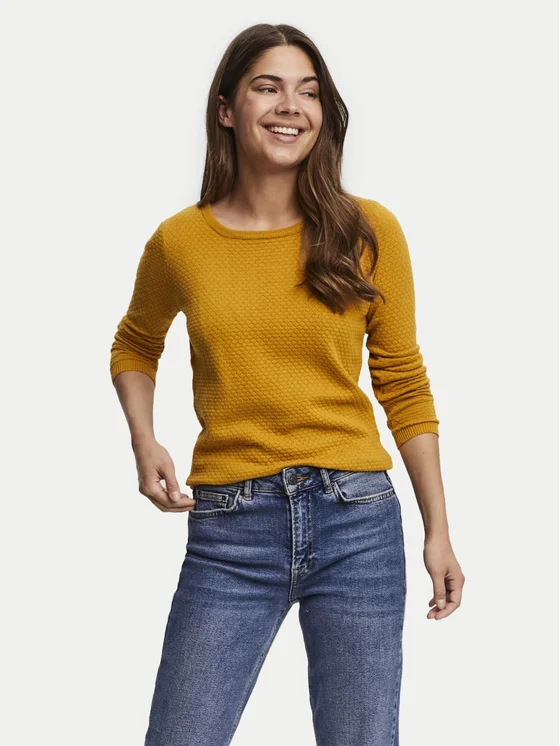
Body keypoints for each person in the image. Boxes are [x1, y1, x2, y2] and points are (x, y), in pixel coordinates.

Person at [110, 22, 465, 746]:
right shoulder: (182, 241)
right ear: (226, 108)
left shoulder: (368, 231)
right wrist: (145, 441)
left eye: (308, 92)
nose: (289, 107)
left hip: (357, 520)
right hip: (230, 527)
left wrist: (439, 531)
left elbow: (403, 383)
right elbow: (135, 344)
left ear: (323, 113)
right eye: (267, 88)